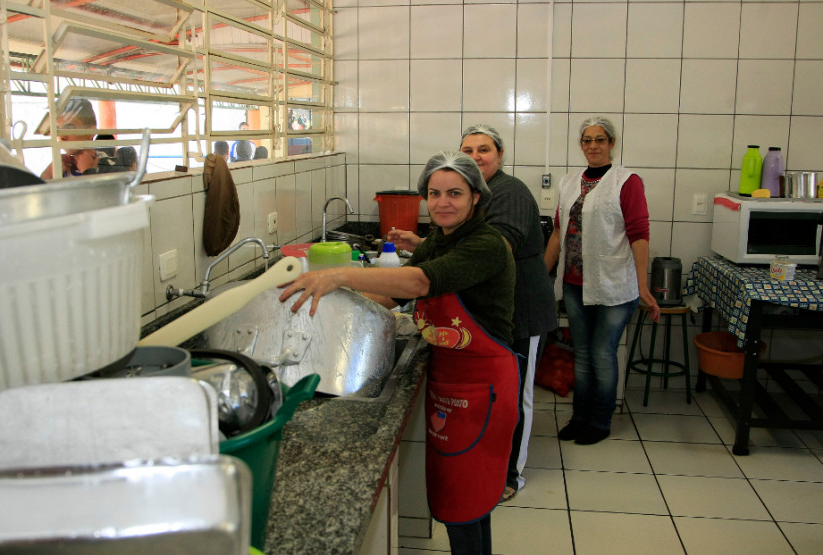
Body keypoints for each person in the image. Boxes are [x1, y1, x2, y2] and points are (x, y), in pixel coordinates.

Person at [279, 152, 518, 555]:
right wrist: (332, 308)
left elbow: (419, 283)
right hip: (449, 382)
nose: (442, 202)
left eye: (455, 193)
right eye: (435, 193)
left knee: (467, 502)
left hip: (484, 388)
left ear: (476, 197)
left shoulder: (486, 244)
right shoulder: (440, 240)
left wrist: (338, 273)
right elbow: (389, 295)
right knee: (464, 504)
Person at [391, 124, 556, 500]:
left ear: (500, 155)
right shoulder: (467, 196)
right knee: (494, 400)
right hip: (489, 313)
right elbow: (462, 250)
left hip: (523, 311)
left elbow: (494, 249)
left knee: (517, 397)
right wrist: (425, 244)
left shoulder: (509, 192)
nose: (477, 155)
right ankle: (486, 466)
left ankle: (511, 476)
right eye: (469, 149)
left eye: (485, 149)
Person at [543, 116, 660, 446]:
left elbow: (639, 235)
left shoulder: (626, 181)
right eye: (586, 140)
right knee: (581, 353)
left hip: (615, 284)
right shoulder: (568, 182)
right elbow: (557, 232)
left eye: (600, 139)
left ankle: (600, 420)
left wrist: (643, 286)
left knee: (602, 352)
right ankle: (579, 417)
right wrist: (541, 277)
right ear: (581, 145)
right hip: (575, 283)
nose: (593, 145)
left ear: (611, 143)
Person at [39, 98, 98, 179]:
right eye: (58, 130)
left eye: (70, 128)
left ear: (91, 131)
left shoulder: (110, 166)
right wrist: (47, 176)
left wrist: (88, 172)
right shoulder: (59, 169)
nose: (62, 136)